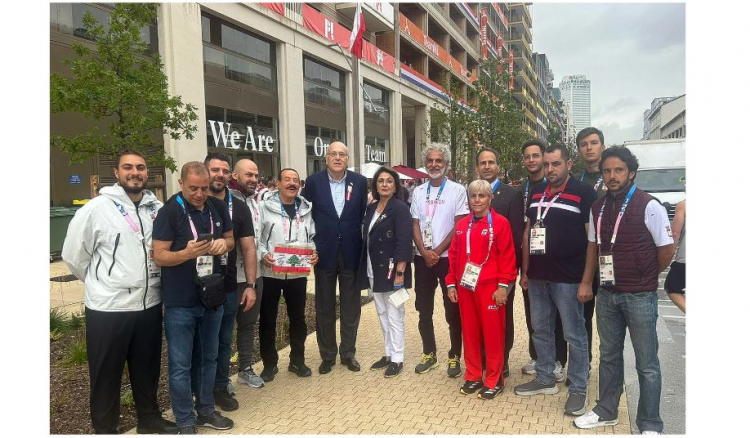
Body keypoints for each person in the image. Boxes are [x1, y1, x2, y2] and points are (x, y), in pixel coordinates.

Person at [62, 150, 177, 435]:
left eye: (140, 167)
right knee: (106, 374)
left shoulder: (157, 209)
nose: (135, 172)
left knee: (147, 368)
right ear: (116, 173)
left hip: (149, 304)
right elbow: (74, 255)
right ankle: (105, 428)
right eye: (128, 167)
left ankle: (149, 419)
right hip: (109, 308)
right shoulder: (96, 209)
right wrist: (101, 283)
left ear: (146, 173)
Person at [574, 146, 674, 434]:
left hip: (639, 296)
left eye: (618, 170)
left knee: (647, 362)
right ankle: (606, 410)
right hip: (607, 294)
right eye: (607, 171)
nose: (612, 176)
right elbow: (593, 247)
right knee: (609, 355)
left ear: (631, 173)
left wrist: (646, 274)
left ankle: (650, 422)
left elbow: (666, 250)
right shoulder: (598, 207)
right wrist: (586, 281)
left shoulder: (649, 205)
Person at [514, 143, 597, 417]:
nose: (550, 169)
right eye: (547, 164)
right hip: (538, 277)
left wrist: (587, 281)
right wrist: (525, 271)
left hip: (569, 278)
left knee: (574, 333)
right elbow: (528, 232)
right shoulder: (537, 192)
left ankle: (579, 388)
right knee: (541, 329)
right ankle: (545, 378)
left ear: (568, 164)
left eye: (556, 164)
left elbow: (592, 241)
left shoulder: (584, 193)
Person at [152, 162, 235, 433]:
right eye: (193, 189)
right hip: (181, 301)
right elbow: (159, 256)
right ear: (180, 183)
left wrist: (224, 244)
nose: (199, 194)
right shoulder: (169, 212)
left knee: (209, 358)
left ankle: (206, 411)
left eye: (204, 188)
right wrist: (185, 254)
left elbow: (231, 239)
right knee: (180, 365)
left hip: (212, 297)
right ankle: (185, 420)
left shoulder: (217, 207)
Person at [446, 180, 517, 400]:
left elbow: (508, 256)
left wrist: (503, 286)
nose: (477, 200)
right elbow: (453, 255)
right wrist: (451, 283)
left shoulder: (501, 223)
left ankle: (494, 379)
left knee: (493, 335)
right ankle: (474, 374)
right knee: (469, 332)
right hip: (466, 287)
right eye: (473, 196)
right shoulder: (462, 225)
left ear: (490, 198)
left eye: (482, 196)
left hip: (490, 289)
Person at [301, 141, 368, 374]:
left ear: (348, 159)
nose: (338, 158)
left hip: (351, 251)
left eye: (342, 154)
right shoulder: (313, 182)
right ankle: (327, 355)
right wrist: (309, 247)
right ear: (326, 158)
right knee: (324, 307)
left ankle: (348, 353)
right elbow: (306, 216)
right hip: (324, 252)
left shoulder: (359, 182)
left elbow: (361, 215)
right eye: (333, 154)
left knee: (351, 307)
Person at [411, 142, 469, 377]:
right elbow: (415, 224)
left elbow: (459, 225)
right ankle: (429, 353)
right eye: (430, 160)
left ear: (446, 164)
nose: (434, 165)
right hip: (422, 259)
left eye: (438, 161)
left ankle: (454, 356)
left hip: (447, 260)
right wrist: (424, 251)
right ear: (425, 163)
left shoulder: (457, 190)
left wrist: (436, 251)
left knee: (452, 310)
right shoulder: (418, 191)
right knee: (423, 310)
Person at [205, 153, 257, 411]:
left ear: (230, 176)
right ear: (205, 171)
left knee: (224, 340)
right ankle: (200, 391)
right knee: (201, 343)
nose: (220, 175)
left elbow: (248, 247)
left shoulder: (239, 207)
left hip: (226, 285)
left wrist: (250, 285)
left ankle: (220, 386)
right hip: (195, 286)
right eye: (215, 170)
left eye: (224, 171)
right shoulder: (192, 202)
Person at [257, 168, 318, 380]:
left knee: (298, 319)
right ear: (278, 183)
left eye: (295, 180)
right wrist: (262, 254)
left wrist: (314, 252)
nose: (292, 184)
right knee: (268, 319)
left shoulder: (306, 210)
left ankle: (297, 361)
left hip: (297, 274)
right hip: (270, 272)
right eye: (287, 180)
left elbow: (312, 238)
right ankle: (269, 365)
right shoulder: (264, 207)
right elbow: (257, 237)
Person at [356, 167, 413, 378]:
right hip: (374, 269)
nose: (385, 184)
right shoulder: (372, 208)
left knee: (395, 314)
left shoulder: (400, 208)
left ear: (395, 186)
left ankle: (398, 358)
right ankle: (388, 353)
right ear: (375, 185)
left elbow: (404, 241)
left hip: (393, 271)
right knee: (382, 313)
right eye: (381, 181)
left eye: (389, 181)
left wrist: (400, 271)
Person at [518, 140, 567, 382]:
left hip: (557, 264)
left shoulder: (554, 187)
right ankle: (538, 356)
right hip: (531, 260)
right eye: (527, 156)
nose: (532, 161)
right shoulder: (522, 189)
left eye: (536, 156)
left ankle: (558, 360)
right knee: (534, 313)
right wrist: (524, 268)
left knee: (556, 315)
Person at [475, 147, 524, 379]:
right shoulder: (473, 192)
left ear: (498, 165)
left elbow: (515, 237)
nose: (487, 166)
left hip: (501, 271)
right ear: (477, 167)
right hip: (477, 271)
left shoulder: (512, 194)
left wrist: (509, 275)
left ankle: (502, 360)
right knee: (480, 316)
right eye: (483, 163)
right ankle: (483, 358)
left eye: (491, 162)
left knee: (502, 315)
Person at [228, 159, 267, 388]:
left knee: (248, 324)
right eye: (248, 175)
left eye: (256, 175)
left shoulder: (256, 202)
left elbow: (260, 238)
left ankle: (245, 368)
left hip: (254, 275)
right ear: (235, 175)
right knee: (224, 329)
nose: (253, 179)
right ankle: (221, 377)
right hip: (230, 277)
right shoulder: (225, 200)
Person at [575, 127, 608, 375]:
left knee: (609, 319)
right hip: (582, 259)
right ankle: (582, 365)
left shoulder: (613, 177)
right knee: (581, 317)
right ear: (578, 150)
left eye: (594, 143)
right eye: (584, 144)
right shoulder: (575, 181)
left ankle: (609, 370)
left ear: (602, 146)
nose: (589, 148)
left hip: (609, 259)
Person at [664, 199, 685, 312]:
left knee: (672, 288)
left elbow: (675, 233)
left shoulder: (684, 205)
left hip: (685, 259)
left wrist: (669, 253)